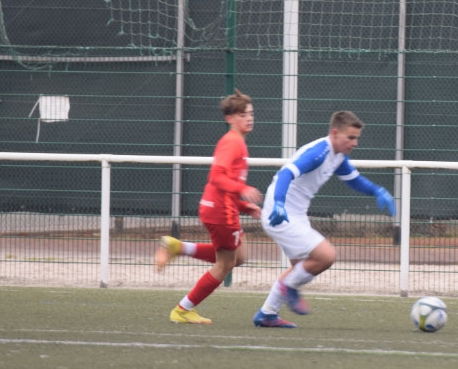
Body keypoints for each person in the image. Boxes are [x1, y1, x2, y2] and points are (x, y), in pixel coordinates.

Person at [253, 110, 396, 328]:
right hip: (280, 212)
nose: (355, 142)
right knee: (325, 256)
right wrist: (280, 203)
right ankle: (288, 288)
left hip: (296, 213)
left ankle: (267, 314)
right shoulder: (319, 152)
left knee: (303, 267)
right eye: (351, 137)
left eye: (357, 138)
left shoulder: (338, 156)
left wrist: (378, 191)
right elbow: (285, 174)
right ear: (335, 133)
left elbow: (354, 180)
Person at [155, 90, 262, 324]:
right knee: (225, 264)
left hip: (220, 208)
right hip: (220, 212)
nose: (249, 118)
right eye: (243, 114)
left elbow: (225, 183)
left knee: (239, 256)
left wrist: (244, 206)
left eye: (251, 113)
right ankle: (183, 309)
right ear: (230, 118)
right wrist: (241, 191)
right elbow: (217, 177)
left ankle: (178, 247)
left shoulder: (237, 143)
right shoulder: (233, 142)